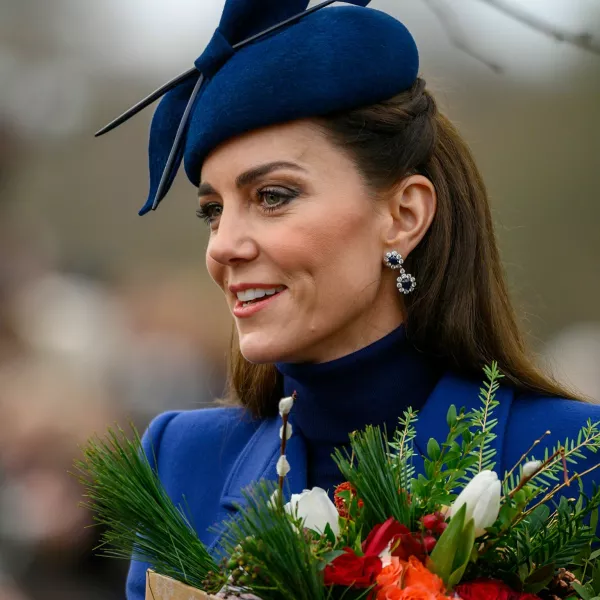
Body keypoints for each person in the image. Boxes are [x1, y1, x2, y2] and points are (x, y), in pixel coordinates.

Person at [96, 1, 600, 598]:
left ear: (403, 214)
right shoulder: (182, 460)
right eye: (213, 211)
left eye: (273, 196)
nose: (224, 246)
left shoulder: (575, 463)